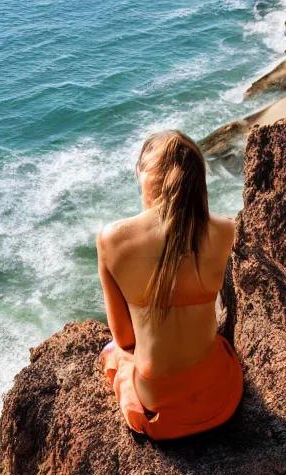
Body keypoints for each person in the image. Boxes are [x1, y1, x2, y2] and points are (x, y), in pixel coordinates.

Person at [97, 130, 243, 440]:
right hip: (219, 397)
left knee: (112, 353)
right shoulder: (228, 230)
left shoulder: (111, 239)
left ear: (145, 177)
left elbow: (124, 337)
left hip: (157, 404)